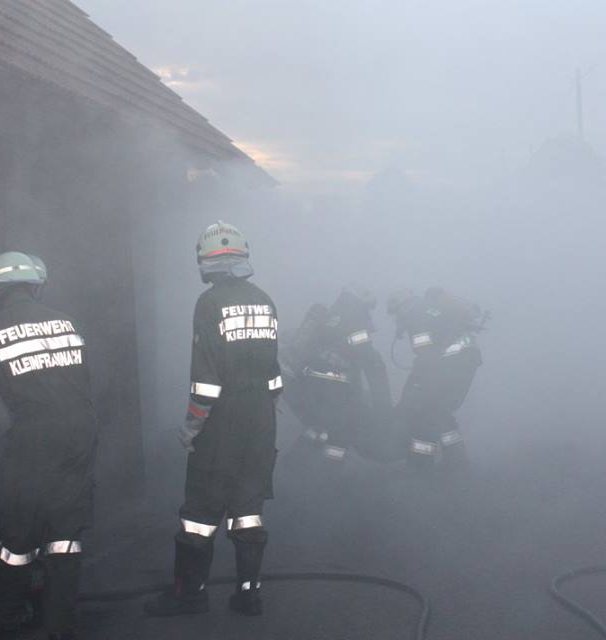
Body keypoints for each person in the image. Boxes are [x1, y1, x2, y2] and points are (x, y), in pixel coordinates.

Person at [0, 251, 96, 640]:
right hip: (81, 433)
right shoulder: (66, 322)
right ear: (36, 286)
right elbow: (82, 382)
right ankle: (60, 625)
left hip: (34, 437)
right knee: (65, 535)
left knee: (18, 533)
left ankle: (3, 617)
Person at [145, 221, 281, 618]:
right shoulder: (264, 300)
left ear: (206, 262)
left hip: (222, 422)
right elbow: (273, 374)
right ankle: (249, 596)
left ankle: (189, 595)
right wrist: (264, 414)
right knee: (248, 510)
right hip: (260, 420)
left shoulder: (209, 304)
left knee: (199, 517)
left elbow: (206, 382)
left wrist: (191, 427)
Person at [282, 283, 392, 466]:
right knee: (342, 430)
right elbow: (369, 359)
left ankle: (294, 465)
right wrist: (383, 404)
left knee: (319, 426)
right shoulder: (355, 319)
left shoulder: (333, 315)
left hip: (312, 384)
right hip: (334, 388)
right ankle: (328, 470)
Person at [388, 286, 485, 471]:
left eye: (395, 314)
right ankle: (456, 464)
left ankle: (420, 467)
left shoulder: (415, 315)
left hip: (452, 364)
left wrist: (416, 384)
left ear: (401, 307)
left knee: (425, 411)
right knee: (438, 411)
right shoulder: (428, 309)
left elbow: (426, 354)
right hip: (465, 360)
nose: (396, 320)